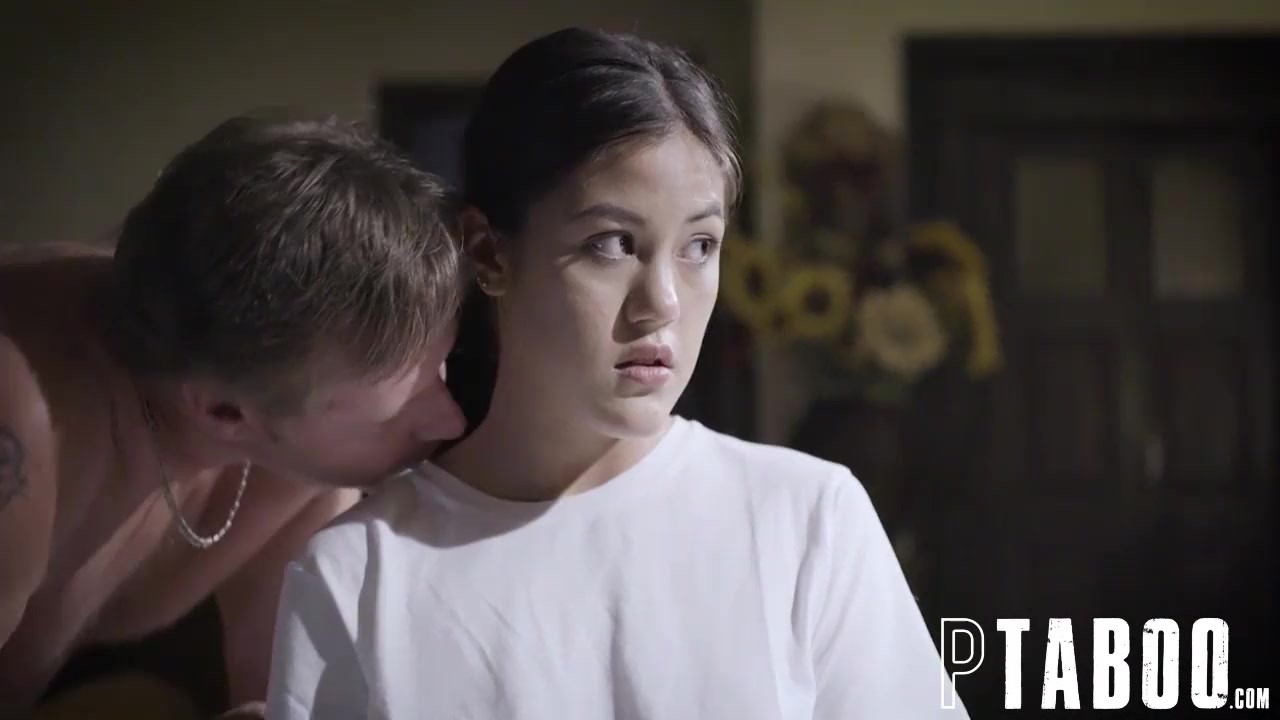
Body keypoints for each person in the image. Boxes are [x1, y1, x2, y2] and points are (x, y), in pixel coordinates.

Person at [266, 27, 968, 719]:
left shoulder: (806, 520)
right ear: (487, 252)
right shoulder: (360, 576)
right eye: (611, 244)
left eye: (700, 246)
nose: (663, 303)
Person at [0, 114, 468, 718]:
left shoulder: (288, 434)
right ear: (224, 413)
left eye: (440, 368)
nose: (450, 422)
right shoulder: (24, 429)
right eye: (394, 410)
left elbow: (283, 694)